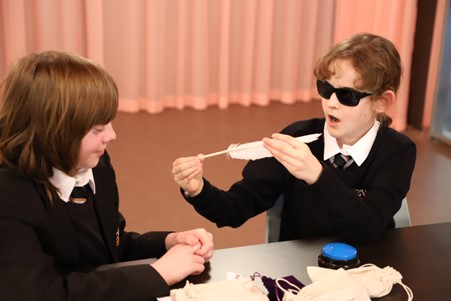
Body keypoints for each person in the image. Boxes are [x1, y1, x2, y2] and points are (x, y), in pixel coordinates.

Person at [0, 51, 213, 300]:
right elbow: (42, 293)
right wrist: (158, 274)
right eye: (97, 128)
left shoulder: (95, 165)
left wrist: (168, 242)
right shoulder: (9, 197)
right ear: (53, 131)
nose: (111, 136)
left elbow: (109, 246)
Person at [172, 33, 416, 246]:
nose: (330, 102)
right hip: (299, 267)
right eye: (325, 88)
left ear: (382, 102)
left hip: (369, 266)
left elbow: (367, 228)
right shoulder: (298, 138)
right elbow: (235, 209)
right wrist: (198, 190)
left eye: (347, 96)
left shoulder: (398, 152)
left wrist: (316, 175)